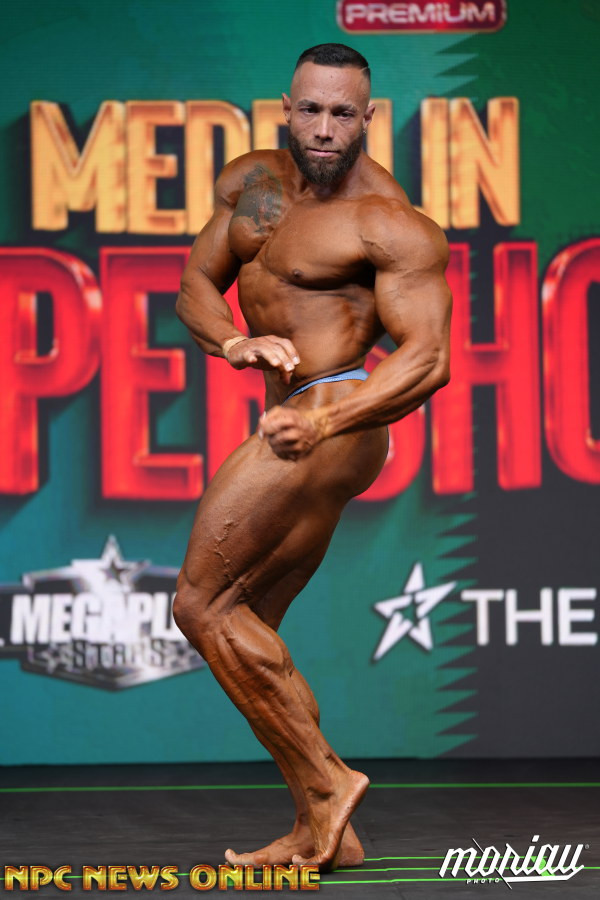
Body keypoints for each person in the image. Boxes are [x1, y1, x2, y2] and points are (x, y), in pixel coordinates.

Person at [174, 43, 451, 872]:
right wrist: (234, 342)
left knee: (199, 604)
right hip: (293, 410)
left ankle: (329, 785)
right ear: (286, 109)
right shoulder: (253, 184)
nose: (325, 128)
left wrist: (327, 423)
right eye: (311, 110)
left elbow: (428, 358)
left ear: (368, 118)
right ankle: (324, 825)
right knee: (244, 621)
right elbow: (195, 285)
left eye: (342, 113)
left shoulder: (385, 221)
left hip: (338, 412)